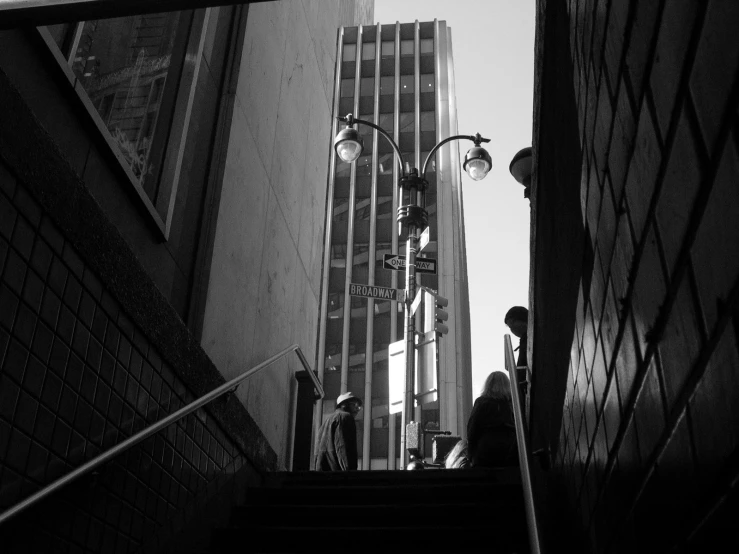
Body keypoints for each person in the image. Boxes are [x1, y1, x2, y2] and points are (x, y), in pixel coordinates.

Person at [466, 372, 518, 468]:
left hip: (485, 451)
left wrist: (470, 454)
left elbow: (472, 429)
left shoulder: (481, 402)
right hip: (509, 450)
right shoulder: (513, 405)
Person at [313, 392, 362, 471]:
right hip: (337, 476)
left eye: (359, 406)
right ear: (344, 405)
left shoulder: (326, 422)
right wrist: (351, 474)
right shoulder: (345, 417)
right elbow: (342, 447)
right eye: (355, 405)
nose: (358, 409)